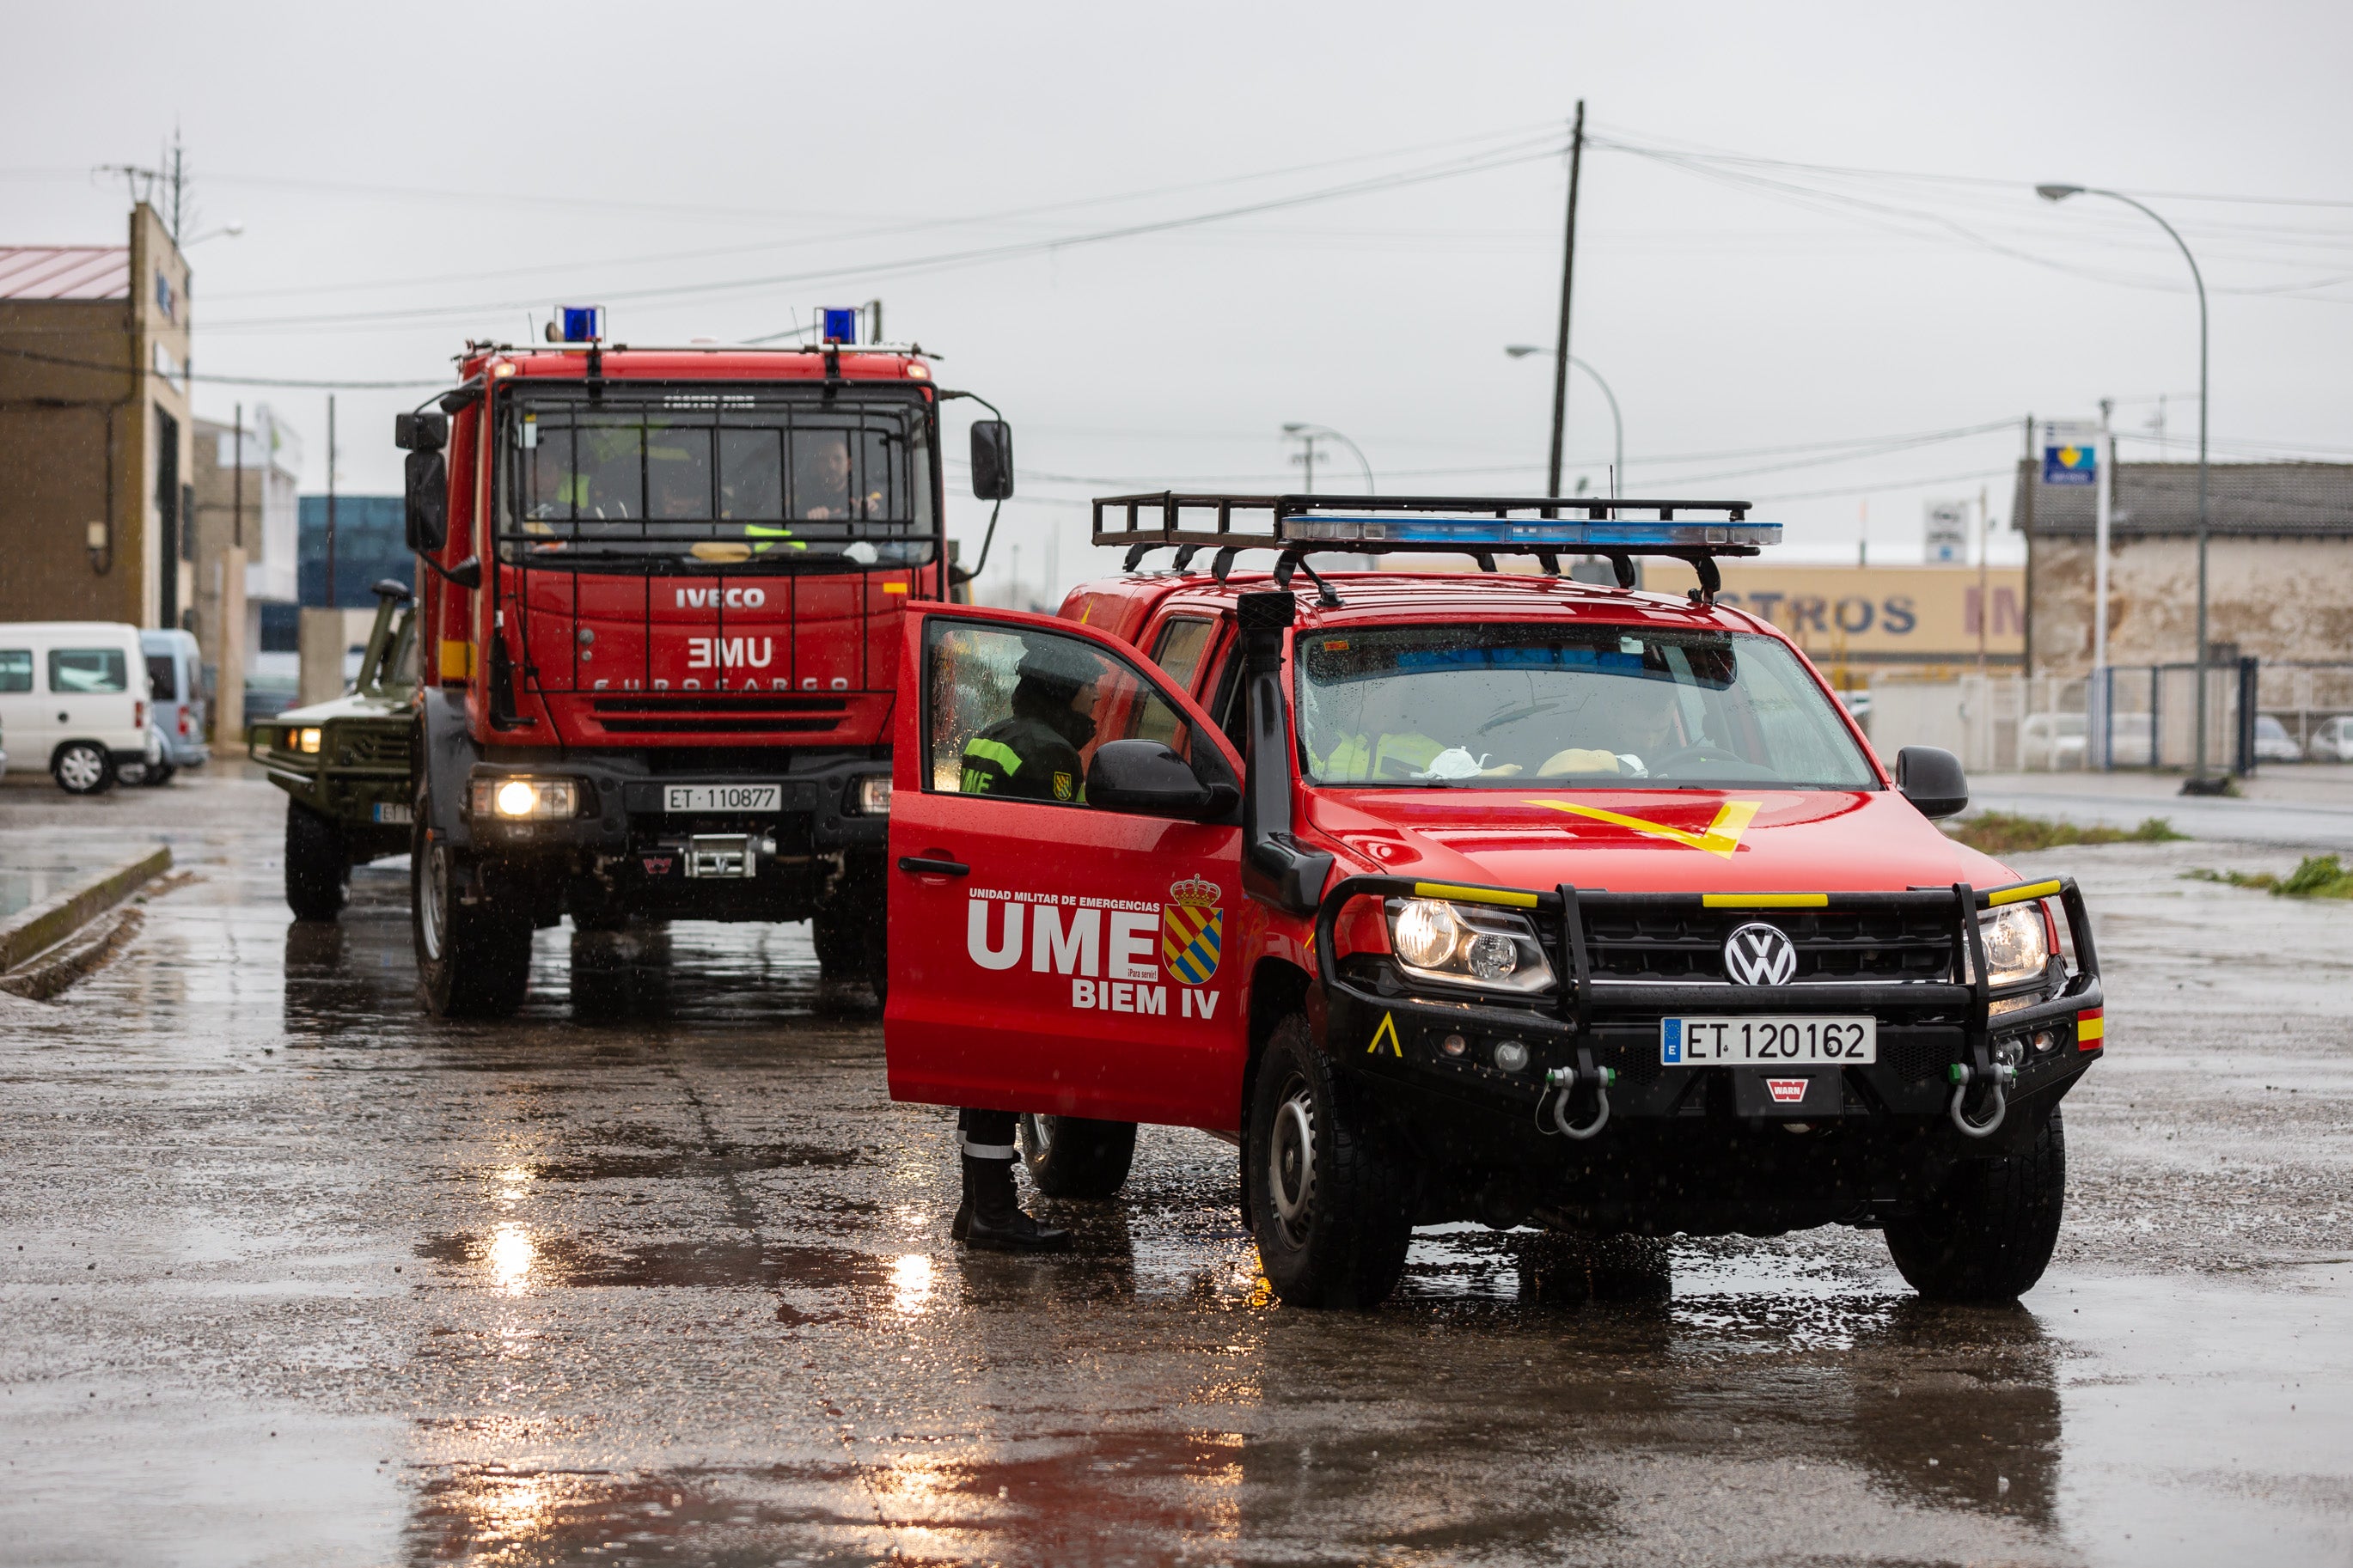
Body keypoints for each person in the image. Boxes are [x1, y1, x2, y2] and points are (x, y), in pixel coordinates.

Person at [948, 638, 1103, 1251]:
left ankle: (975, 1205)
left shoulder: (994, 733)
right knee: (1004, 1073)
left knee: (984, 1068)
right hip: (1021, 924)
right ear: (1063, 689)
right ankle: (993, 1213)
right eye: (1089, 687)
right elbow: (1064, 849)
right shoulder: (1052, 754)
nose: (1096, 696)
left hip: (985, 917)